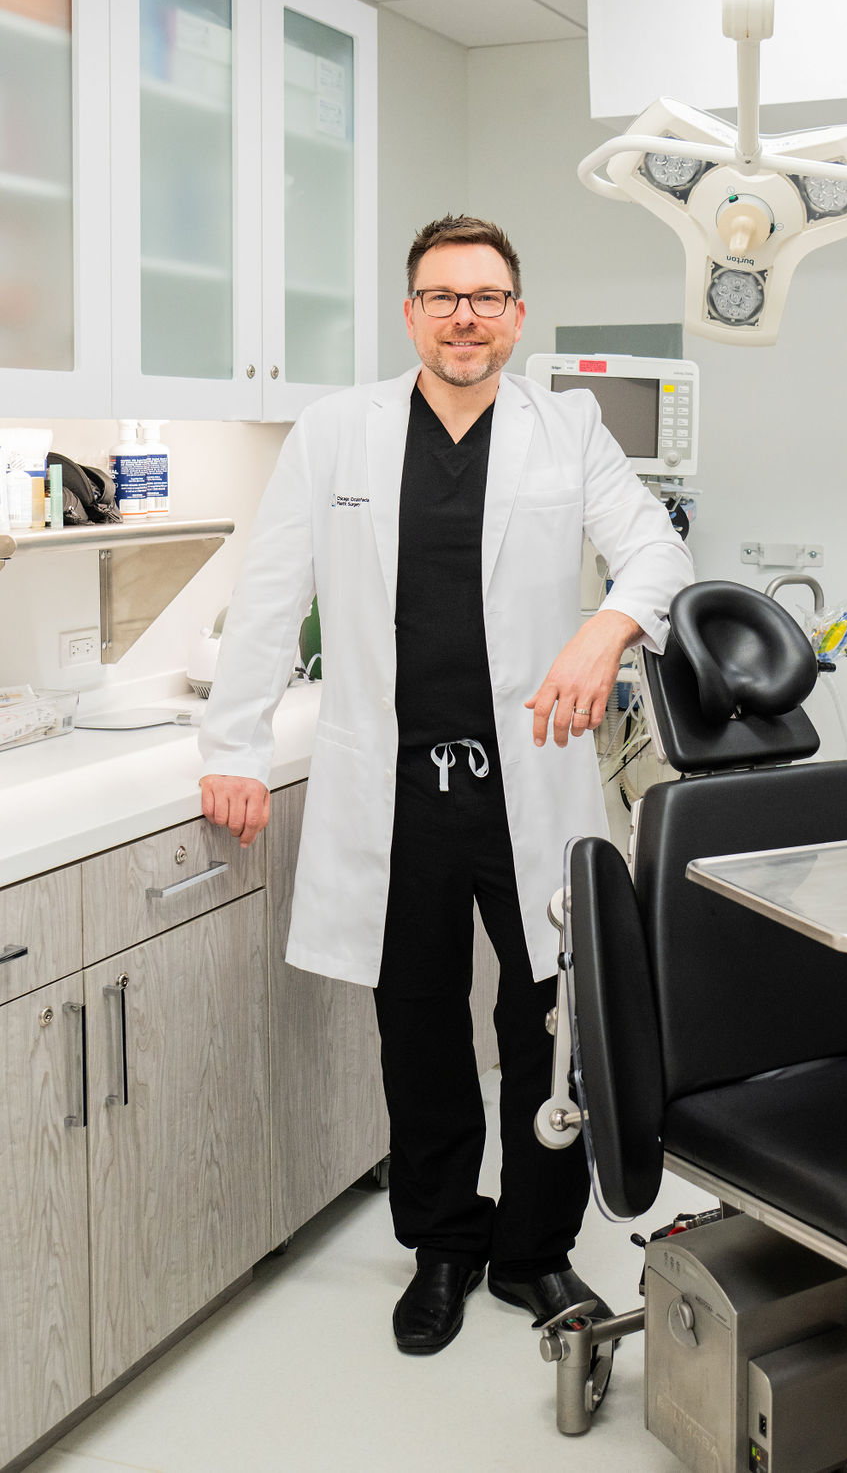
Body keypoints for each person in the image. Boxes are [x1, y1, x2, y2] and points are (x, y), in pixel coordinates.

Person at [198, 214, 694, 1355]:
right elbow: (271, 592)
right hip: (397, 791)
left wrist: (607, 628)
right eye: (442, 296)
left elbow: (657, 551)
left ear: (516, 315)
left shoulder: (567, 428)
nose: (464, 316)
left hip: (530, 783)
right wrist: (234, 749)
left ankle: (534, 1249)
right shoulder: (337, 433)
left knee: (549, 1022)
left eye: (485, 297)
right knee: (417, 1026)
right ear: (411, 312)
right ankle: (442, 1244)